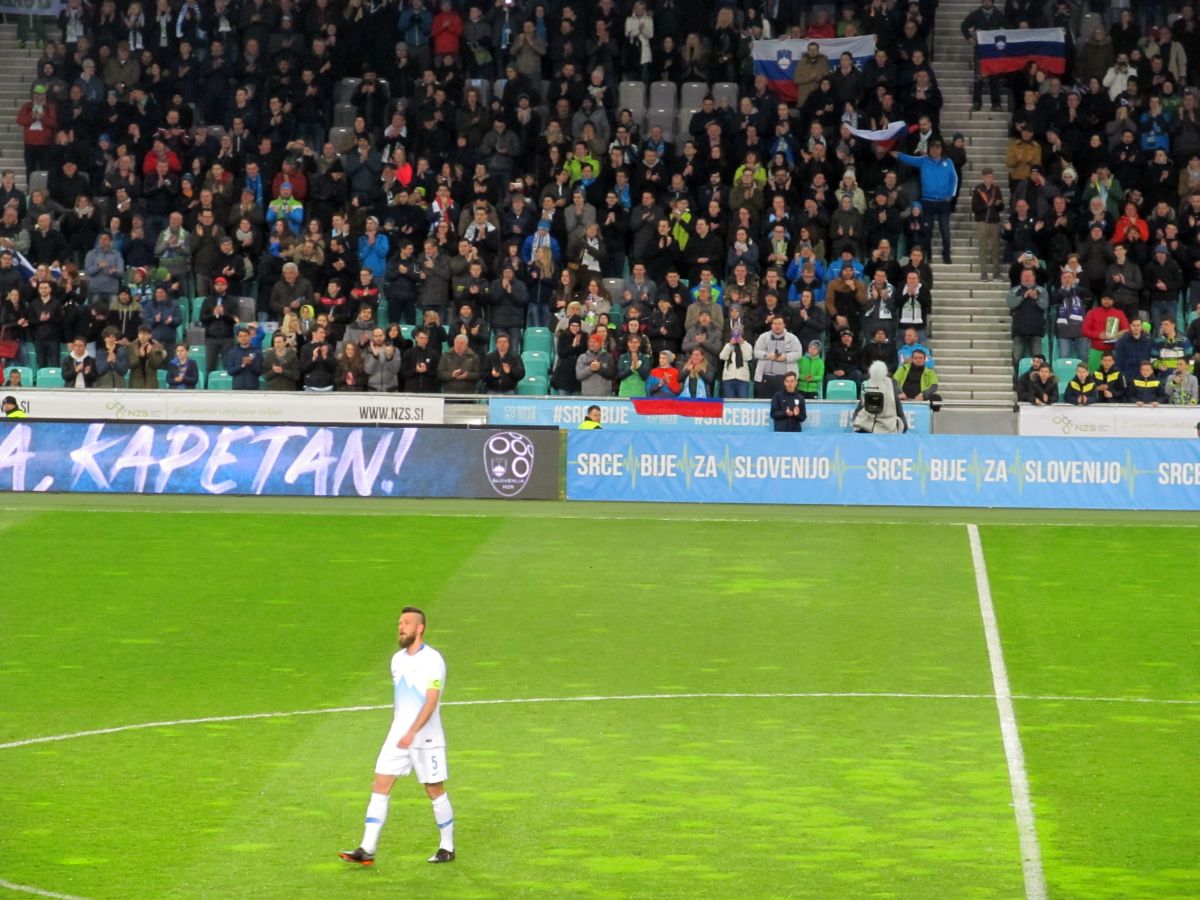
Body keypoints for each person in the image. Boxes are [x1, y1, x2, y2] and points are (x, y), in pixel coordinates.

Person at [339, 607, 454, 867]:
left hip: (425, 737)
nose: (401, 627)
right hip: (398, 736)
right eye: (399, 623)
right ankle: (367, 848)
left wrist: (412, 732)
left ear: (420, 628)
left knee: (434, 789)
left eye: (407, 623)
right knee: (380, 784)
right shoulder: (396, 660)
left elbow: (431, 701)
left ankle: (447, 846)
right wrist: (402, 731)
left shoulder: (433, 660)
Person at [893, 140, 959, 263]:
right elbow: (910, 159)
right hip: (928, 201)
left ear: (941, 149)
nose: (934, 150)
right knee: (927, 231)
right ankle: (928, 256)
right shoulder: (923, 160)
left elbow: (954, 179)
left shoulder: (948, 162)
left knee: (945, 230)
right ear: (929, 149)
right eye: (932, 148)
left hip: (943, 202)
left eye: (937, 148)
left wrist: (951, 195)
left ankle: (946, 254)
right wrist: (898, 155)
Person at [752, 316, 802, 399]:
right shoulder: (763, 337)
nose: (777, 326)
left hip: (784, 379)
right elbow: (756, 351)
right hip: (765, 378)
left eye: (780, 324)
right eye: (775, 324)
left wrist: (786, 357)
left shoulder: (792, 338)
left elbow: (799, 353)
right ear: (771, 325)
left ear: (784, 325)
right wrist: (767, 355)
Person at [852, 361, 908, 433]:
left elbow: (860, 406)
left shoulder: (867, 384)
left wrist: (855, 418)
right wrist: (904, 423)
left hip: (867, 425)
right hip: (887, 427)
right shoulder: (891, 384)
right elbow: (898, 407)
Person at [971, 168, 1004, 281]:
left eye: (991, 177)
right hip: (982, 222)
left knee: (995, 249)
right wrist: (986, 205)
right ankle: (983, 273)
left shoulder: (996, 189)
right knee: (983, 249)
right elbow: (974, 208)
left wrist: (999, 204)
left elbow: (1001, 207)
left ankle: (996, 273)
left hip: (994, 221)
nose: (989, 179)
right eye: (987, 177)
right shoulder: (978, 190)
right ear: (983, 178)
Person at [225, 325, 262, 390]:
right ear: (237, 338)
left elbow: (259, 371)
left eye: (245, 336)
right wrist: (242, 366)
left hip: (253, 388)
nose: (243, 338)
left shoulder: (256, 352)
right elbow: (230, 371)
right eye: (241, 336)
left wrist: (251, 364)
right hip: (237, 388)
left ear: (249, 337)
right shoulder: (232, 353)